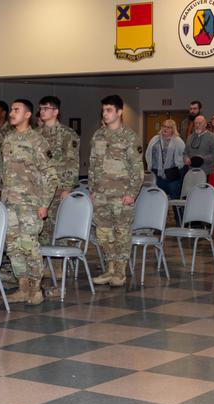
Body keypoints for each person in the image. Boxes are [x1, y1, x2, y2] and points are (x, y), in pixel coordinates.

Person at [2, 99, 58, 304]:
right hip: (10, 202)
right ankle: (23, 286)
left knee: (29, 245)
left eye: (16, 110)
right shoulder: (7, 139)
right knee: (13, 247)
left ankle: (36, 288)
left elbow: (50, 175)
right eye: (11, 109)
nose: (11, 112)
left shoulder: (38, 141)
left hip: (30, 203)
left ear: (27, 115)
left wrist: (44, 203)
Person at [90, 95, 143, 287]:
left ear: (120, 112)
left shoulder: (130, 137)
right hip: (101, 195)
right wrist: (93, 189)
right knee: (104, 233)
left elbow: (137, 170)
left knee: (121, 233)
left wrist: (132, 193)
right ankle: (110, 268)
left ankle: (120, 272)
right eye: (103, 110)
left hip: (122, 196)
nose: (105, 113)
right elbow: (93, 166)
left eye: (109, 110)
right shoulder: (98, 136)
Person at [37, 96, 80, 248]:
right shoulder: (36, 134)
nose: (42, 111)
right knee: (41, 230)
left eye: (46, 108)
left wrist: (68, 188)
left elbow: (72, 162)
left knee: (58, 227)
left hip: (59, 187)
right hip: (40, 188)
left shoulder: (67, 134)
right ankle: (44, 265)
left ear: (55, 111)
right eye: (41, 108)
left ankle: (58, 266)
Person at [145, 119, 185, 206]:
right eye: (164, 126)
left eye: (169, 127)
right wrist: (149, 166)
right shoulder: (155, 139)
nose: (165, 129)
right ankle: (158, 218)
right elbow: (148, 153)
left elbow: (183, 156)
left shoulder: (178, 141)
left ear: (173, 129)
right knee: (157, 198)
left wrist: (179, 165)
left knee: (174, 198)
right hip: (157, 173)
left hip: (172, 174)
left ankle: (177, 218)